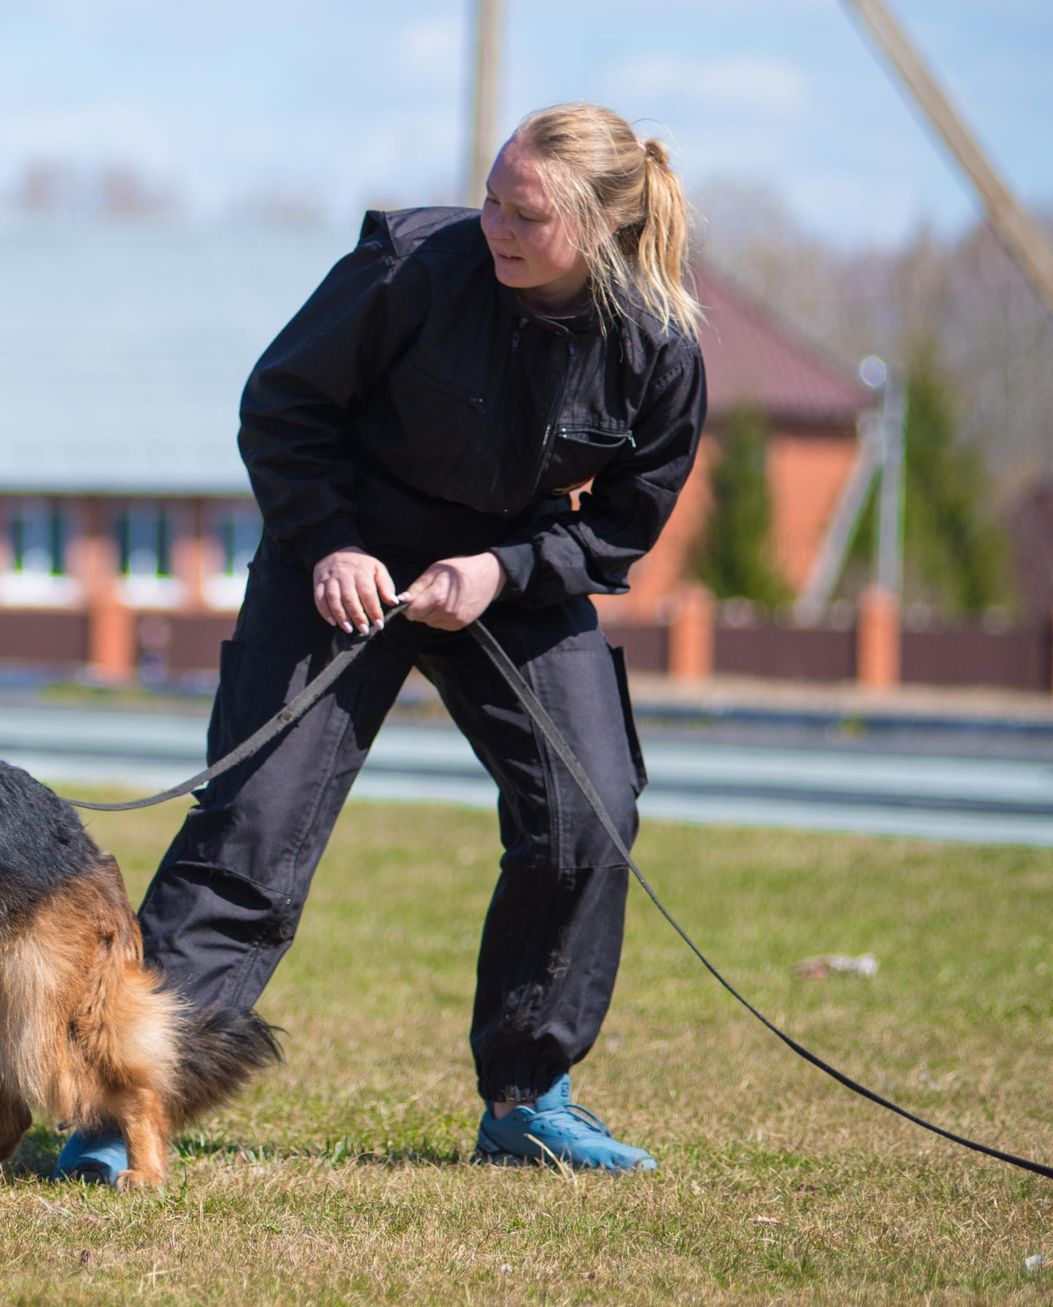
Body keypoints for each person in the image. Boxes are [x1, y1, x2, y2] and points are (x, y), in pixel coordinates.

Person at [61, 102, 707, 1180]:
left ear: (597, 231)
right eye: (491, 193)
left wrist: (502, 570)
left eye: (523, 211)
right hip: (343, 553)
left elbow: (621, 526)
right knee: (251, 835)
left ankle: (525, 1096)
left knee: (587, 812)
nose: (492, 221)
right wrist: (329, 541)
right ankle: (117, 1106)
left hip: (507, 571)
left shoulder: (657, 343)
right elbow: (280, 405)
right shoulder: (409, 266)